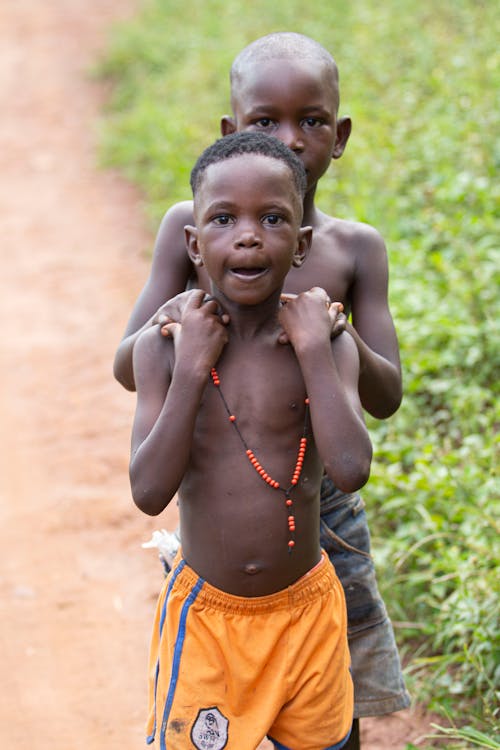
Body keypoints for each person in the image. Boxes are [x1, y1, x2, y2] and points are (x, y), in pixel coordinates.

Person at [115, 32, 410, 747]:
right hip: (220, 465)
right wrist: (181, 336)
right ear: (230, 127)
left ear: (337, 137)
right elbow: (129, 365)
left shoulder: (350, 249)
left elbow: (385, 395)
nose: (291, 140)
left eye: (311, 122)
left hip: (321, 495)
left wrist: (327, 336)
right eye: (264, 122)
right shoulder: (189, 224)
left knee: (334, 662)